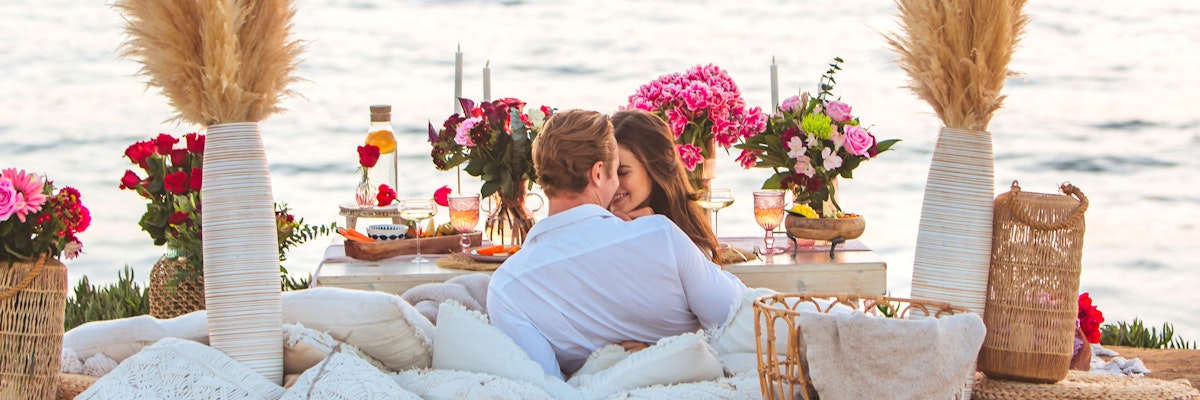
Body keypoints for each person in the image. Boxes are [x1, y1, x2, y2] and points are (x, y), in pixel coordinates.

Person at [486, 109, 746, 380]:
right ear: (598, 173)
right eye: (615, 170)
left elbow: (546, 386)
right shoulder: (661, 235)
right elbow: (737, 319)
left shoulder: (506, 286)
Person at [609, 109, 720, 261]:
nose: (612, 182)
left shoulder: (690, 247)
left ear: (654, 171)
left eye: (622, 172)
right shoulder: (592, 230)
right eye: (605, 173)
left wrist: (657, 240)